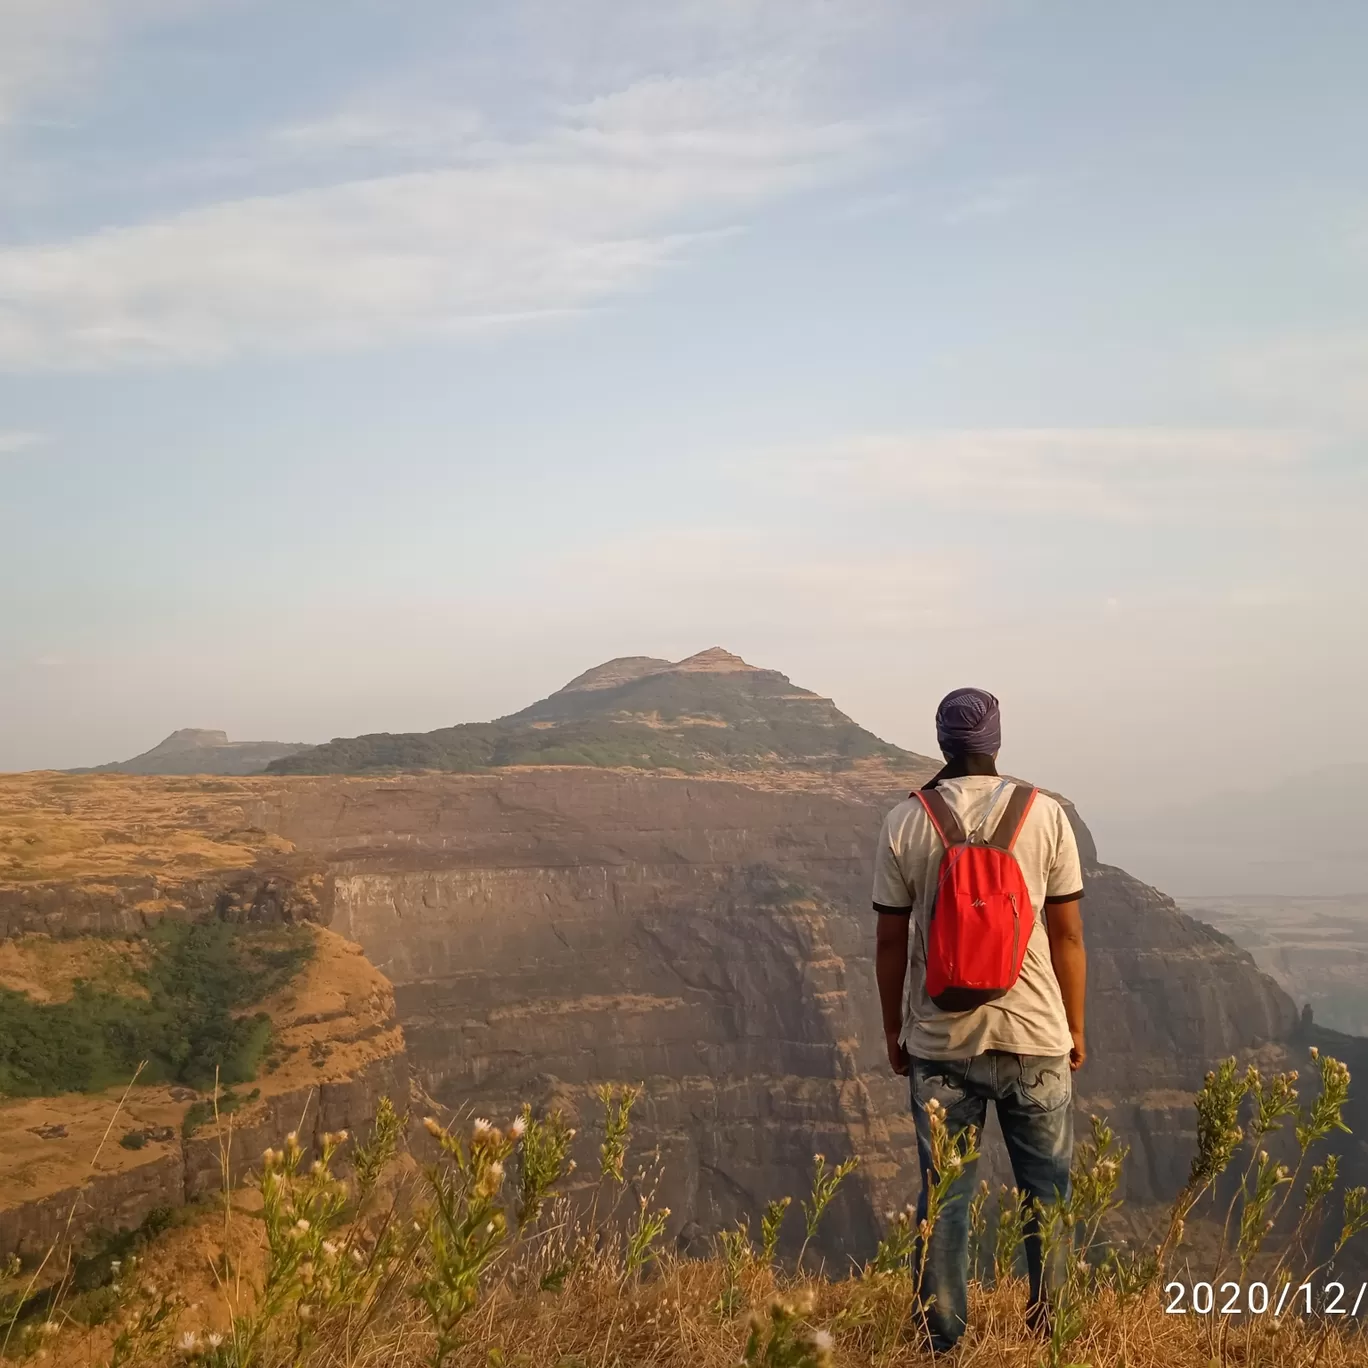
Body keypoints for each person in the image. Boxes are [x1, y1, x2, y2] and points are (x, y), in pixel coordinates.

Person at [872, 687, 1087, 1351]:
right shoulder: (1045, 814)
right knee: (1047, 1197)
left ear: (941, 743)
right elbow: (1069, 935)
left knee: (947, 1202)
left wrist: (894, 1032)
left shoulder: (906, 822)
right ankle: (1054, 1338)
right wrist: (1075, 1028)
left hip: (942, 1042)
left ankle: (940, 1345)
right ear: (996, 741)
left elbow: (888, 943)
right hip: (1035, 1039)